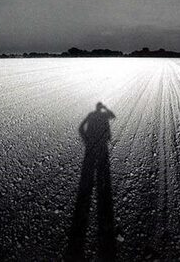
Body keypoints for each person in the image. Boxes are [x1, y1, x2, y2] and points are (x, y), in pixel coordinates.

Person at [66, 102, 117, 260]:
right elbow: (113, 116)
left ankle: (85, 200)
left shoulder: (92, 115)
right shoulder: (102, 114)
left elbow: (81, 128)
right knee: (103, 174)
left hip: (92, 146)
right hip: (101, 146)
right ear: (100, 108)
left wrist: (86, 140)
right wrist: (105, 108)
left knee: (88, 175)